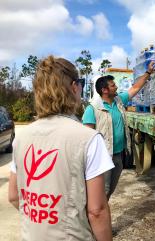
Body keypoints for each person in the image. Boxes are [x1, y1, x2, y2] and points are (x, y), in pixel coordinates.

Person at [8, 56, 114, 241]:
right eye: (80, 84)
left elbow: (14, 196)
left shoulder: (21, 138)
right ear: (74, 87)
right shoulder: (89, 139)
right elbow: (97, 211)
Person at [82, 61, 155, 200]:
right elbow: (86, 138)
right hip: (102, 157)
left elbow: (135, 88)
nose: (116, 87)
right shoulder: (92, 109)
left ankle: (99, 213)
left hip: (118, 155)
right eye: (113, 85)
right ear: (104, 90)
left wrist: (148, 72)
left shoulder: (119, 101)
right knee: (103, 191)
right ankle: (97, 217)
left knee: (109, 190)